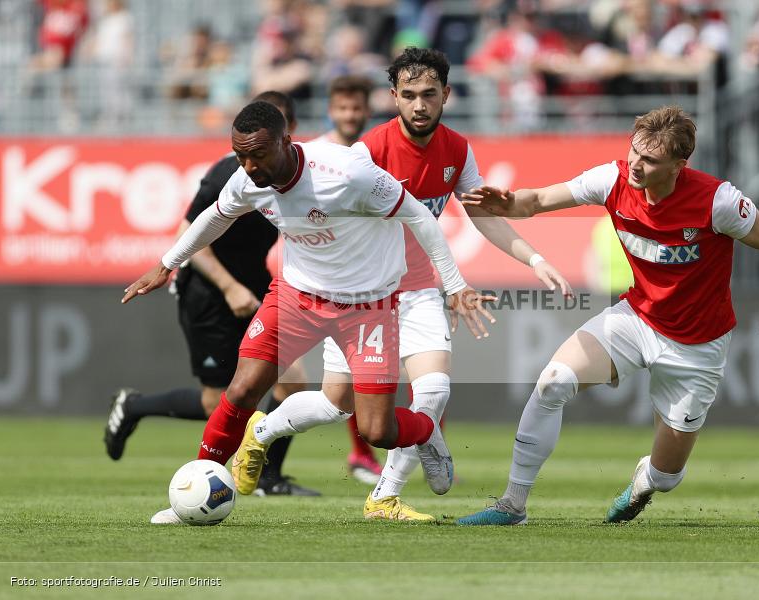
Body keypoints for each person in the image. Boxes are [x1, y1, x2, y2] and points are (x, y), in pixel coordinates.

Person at [121, 99, 493, 524]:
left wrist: (456, 284)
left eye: (258, 154)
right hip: (295, 296)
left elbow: (420, 218)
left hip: (367, 305)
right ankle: (192, 495)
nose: (249, 166)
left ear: (286, 141)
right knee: (241, 390)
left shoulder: (347, 173)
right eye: (241, 155)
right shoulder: (246, 179)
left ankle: (426, 434)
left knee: (376, 430)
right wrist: (167, 264)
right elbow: (214, 217)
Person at [456, 105, 759, 526]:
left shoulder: (719, 201)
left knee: (667, 476)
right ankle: (512, 505)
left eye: (651, 160)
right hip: (635, 318)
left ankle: (644, 480)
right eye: (634, 152)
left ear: (679, 166)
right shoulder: (613, 178)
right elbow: (541, 199)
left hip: (697, 345)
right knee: (553, 383)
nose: (636, 165)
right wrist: (510, 205)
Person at [318, 47, 572, 521]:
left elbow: (482, 215)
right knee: (333, 404)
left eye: (429, 94)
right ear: (393, 97)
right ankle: (263, 433)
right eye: (409, 95)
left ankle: (384, 495)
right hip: (362, 296)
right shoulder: (366, 153)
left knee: (433, 392)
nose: (419, 105)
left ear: (446, 95)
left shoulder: (457, 150)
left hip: (417, 290)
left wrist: (534, 258)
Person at [104, 91, 319, 500]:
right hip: (209, 292)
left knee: (292, 382)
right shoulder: (232, 174)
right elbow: (193, 232)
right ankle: (134, 406)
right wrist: (227, 286)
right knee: (216, 402)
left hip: (257, 285)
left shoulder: (296, 174)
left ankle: (268, 477)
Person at [307, 74, 385, 485]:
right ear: (331, 110)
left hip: (375, 274)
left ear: (367, 110)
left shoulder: (373, 152)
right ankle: (360, 453)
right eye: (343, 108)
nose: (350, 115)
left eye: (357, 108)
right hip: (331, 278)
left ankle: (379, 454)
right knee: (349, 381)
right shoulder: (314, 155)